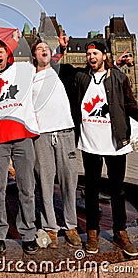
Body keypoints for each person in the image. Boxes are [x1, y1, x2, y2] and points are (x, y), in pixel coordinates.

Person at [0, 38, 48, 255]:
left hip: (23, 135)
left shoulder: (24, 70)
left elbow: (46, 60)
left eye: (1, 51)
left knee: (27, 187)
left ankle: (28, 233)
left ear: (7, 53)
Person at [73, 40, 138, 256]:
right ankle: (93, 232)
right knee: (91, 190)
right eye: (88, 54)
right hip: (90, 143)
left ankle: (120, 232)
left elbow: (130, 104)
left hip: (115, 144)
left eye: (95, 53)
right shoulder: (81, 78)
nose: (91, 57)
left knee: (117, 190)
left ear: (104, 55)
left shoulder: (119, 77)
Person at [31, 40, 81, 249]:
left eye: (46, 48)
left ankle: (71, 225)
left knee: (70, 181)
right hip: (41, 136)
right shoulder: (29, 78)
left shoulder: (64, 71)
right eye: (39, 48)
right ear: (33, 55)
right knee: (45, 182)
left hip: (65, 132)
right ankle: (50, 226)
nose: (43, 50)